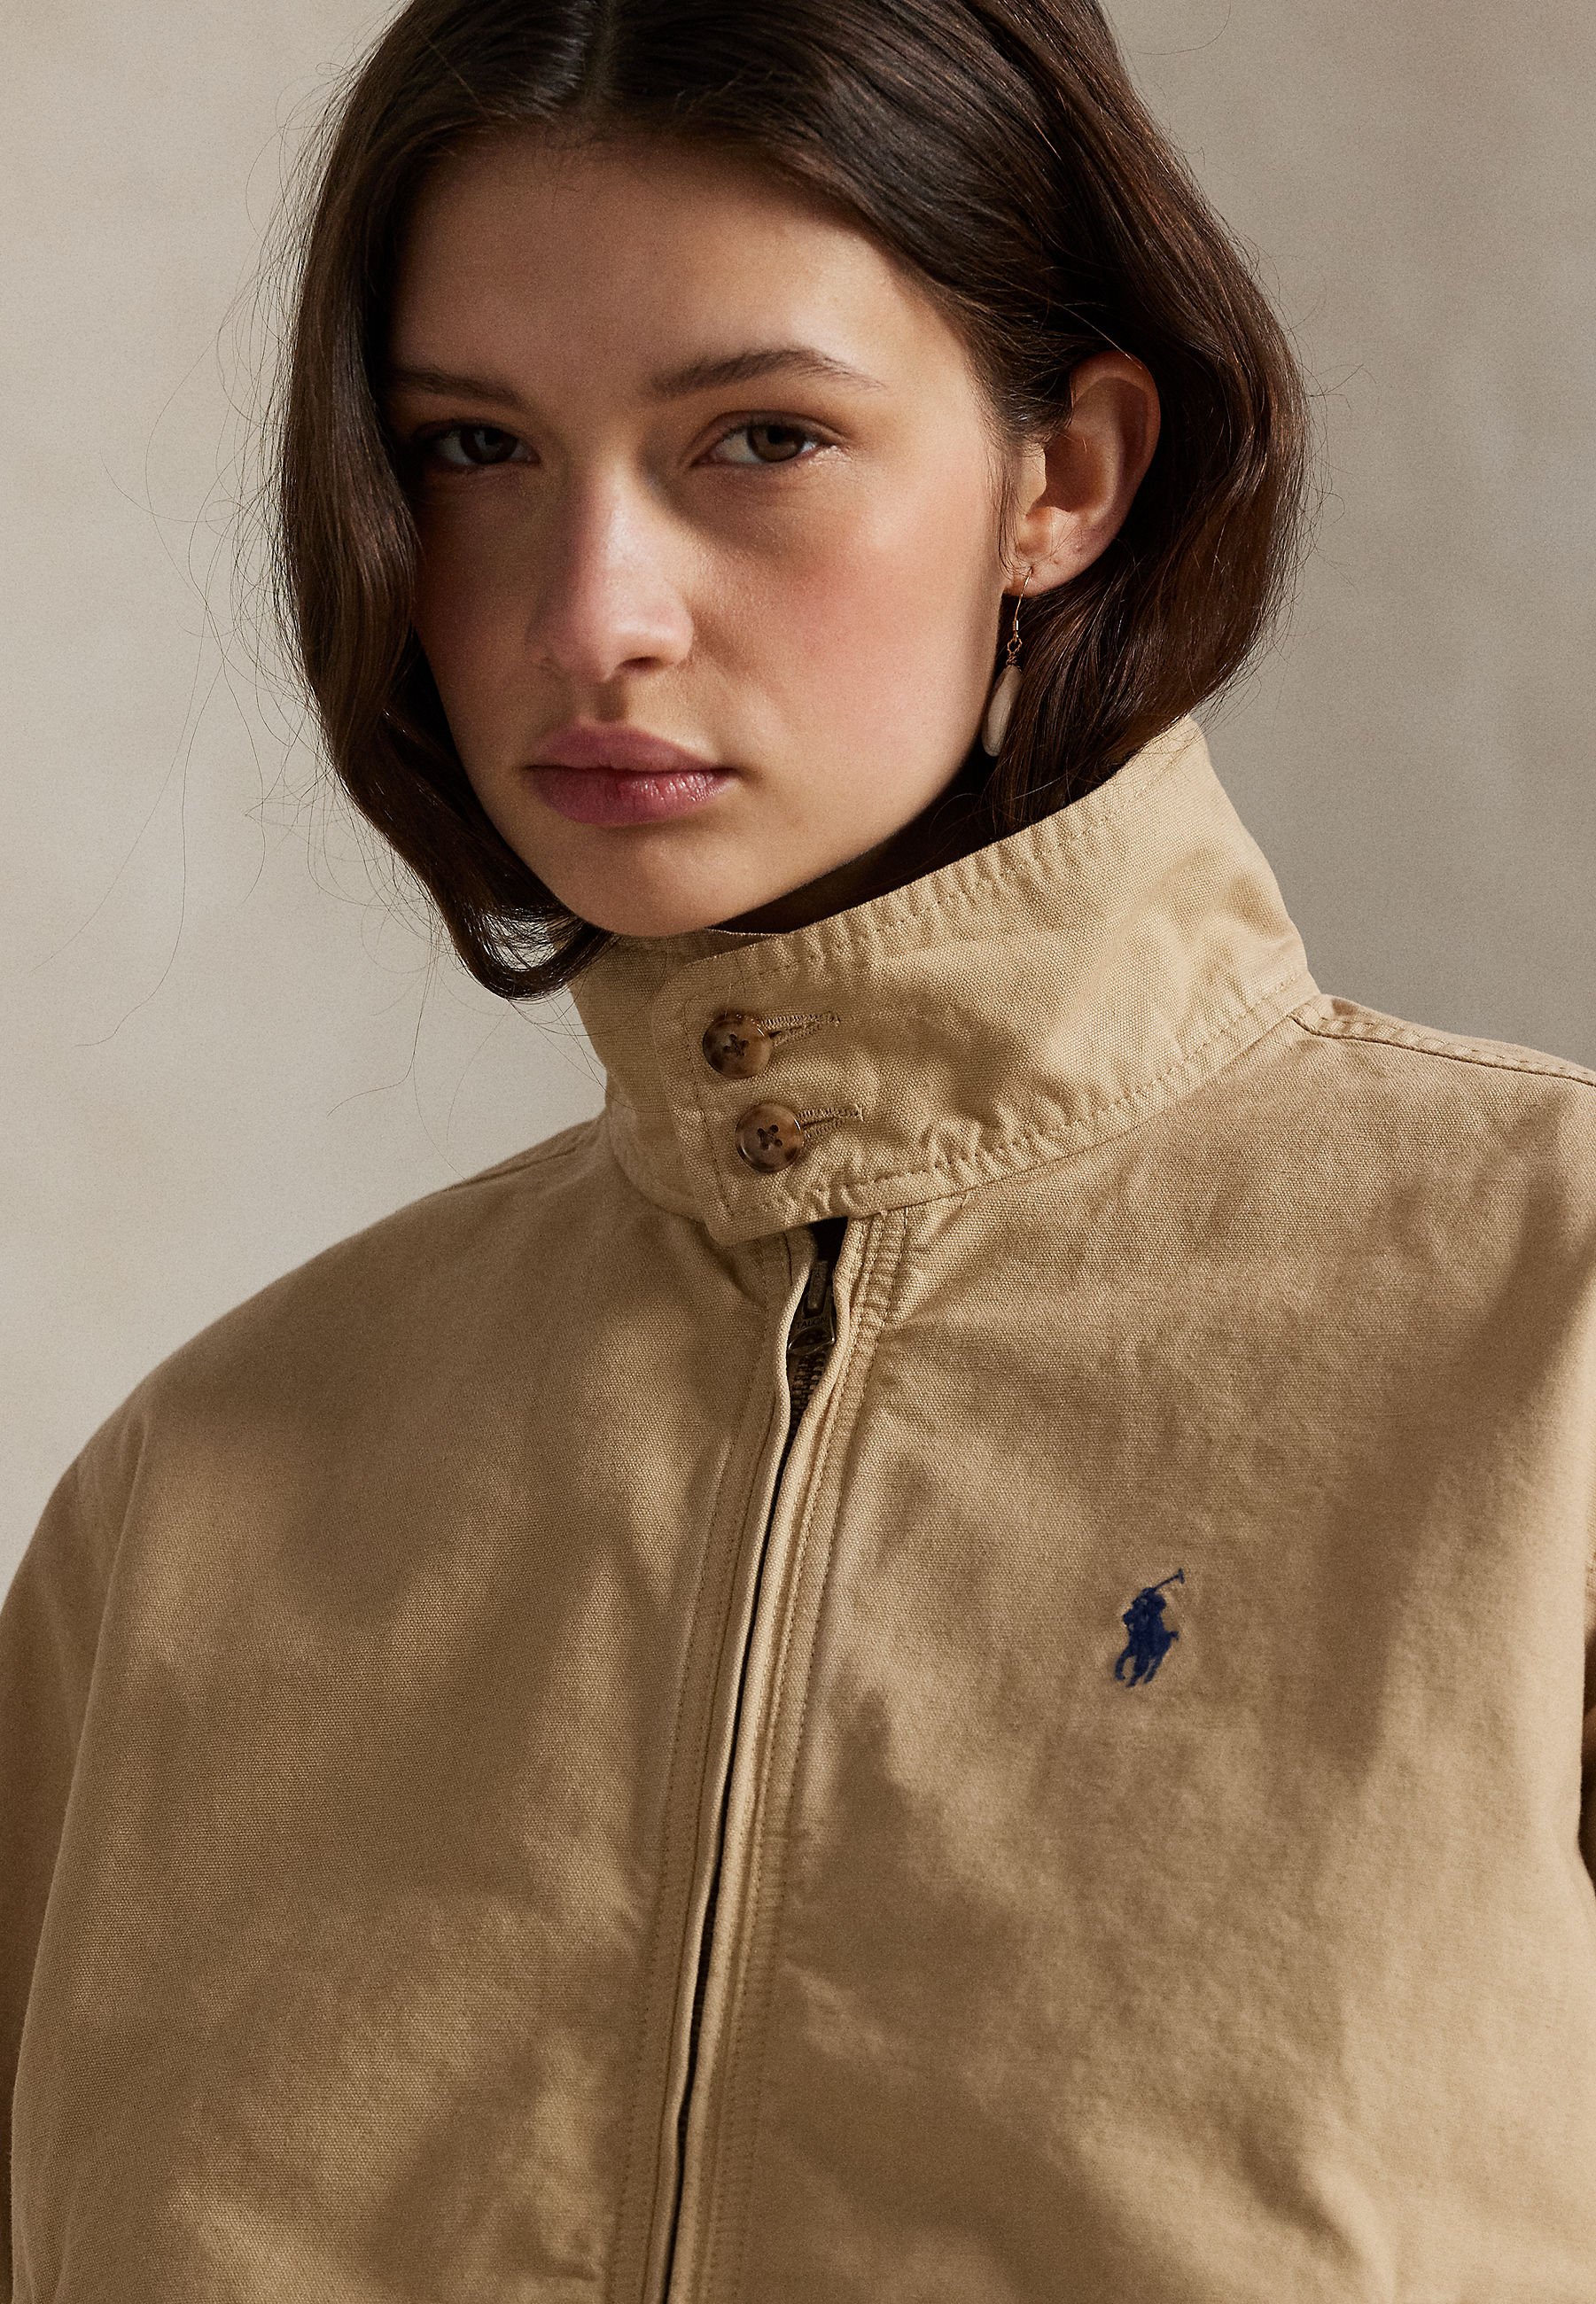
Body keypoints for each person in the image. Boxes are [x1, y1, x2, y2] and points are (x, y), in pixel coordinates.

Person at [4, 0, 1594, 2296]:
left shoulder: (1546, 1342)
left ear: (1065, 477)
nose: (591, 616)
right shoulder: (200, 1506)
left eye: (758, 436)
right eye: (474, 448)